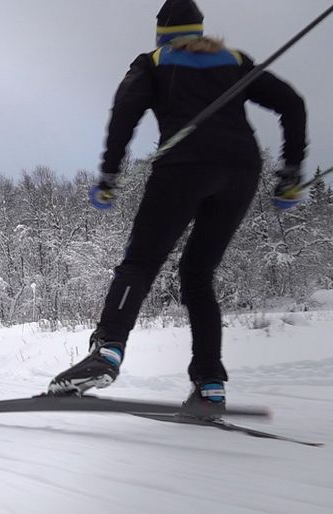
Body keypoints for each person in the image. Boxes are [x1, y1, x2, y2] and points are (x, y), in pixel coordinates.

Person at [47, 0, 307, 413]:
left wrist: (109, 176)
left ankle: (107, 350)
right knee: (198, 275)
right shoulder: (235, 61)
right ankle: (210, 384)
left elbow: (123, 115)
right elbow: (292, 103)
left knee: (140, 264)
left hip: (183, 168)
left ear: (161, 33)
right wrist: (290, 173)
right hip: (240, 172)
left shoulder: (152, 63)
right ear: (200, 30)